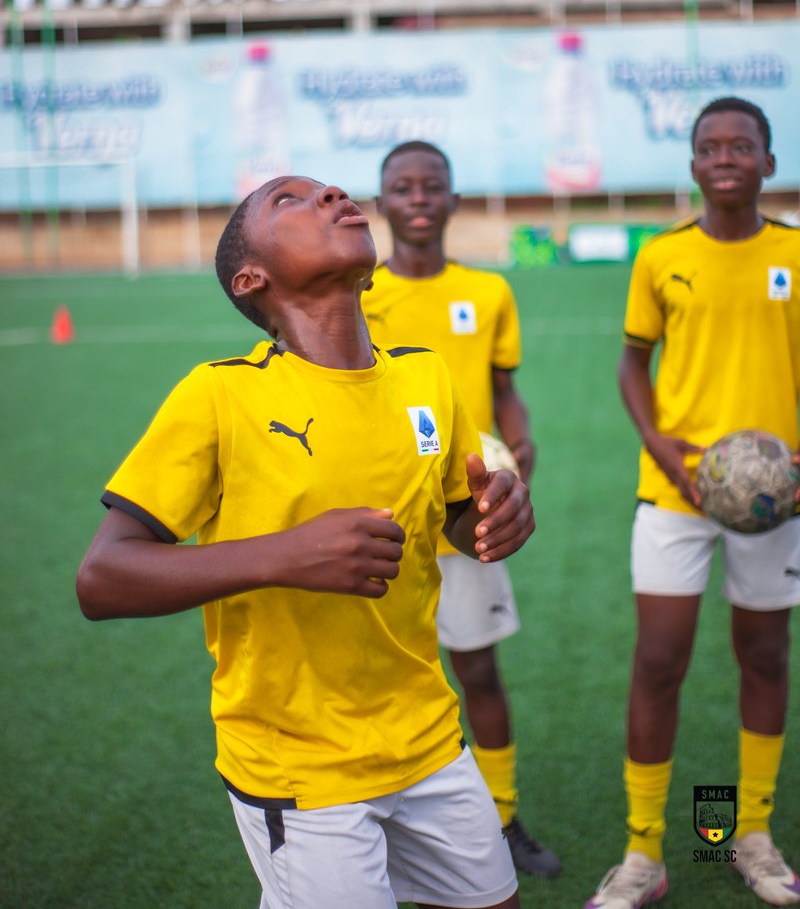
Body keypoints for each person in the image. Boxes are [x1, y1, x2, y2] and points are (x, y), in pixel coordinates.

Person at [76, 175, 536, 909]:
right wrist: (284, 555)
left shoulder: (425, 377)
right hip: (299, 768)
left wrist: (494, 520)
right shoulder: (220, 396)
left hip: (428, 738)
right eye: (289, 200)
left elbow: (454, 519)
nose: (331, 195)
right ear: (249, 277)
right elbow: (101, 579)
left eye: (330, 191)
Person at [584, 97, 800, 909]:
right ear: (692, 165)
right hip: (674, 492)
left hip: (775, 500)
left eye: (741, 145)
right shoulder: (661, 257)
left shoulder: (795, 252)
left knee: (767, 656)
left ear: (768, 163)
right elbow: (631, 362)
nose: (724, 157)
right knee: (659, 660)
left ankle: (751, 834)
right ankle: (644, 854)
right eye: (708, 146)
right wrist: (660, 446)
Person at [362, 140, 560, 879]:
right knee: (379, 675)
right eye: (402, 187)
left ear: (453, 199)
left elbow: (504, 386)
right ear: (382, 203)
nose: (418, 197)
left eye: (432, 185)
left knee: (477, 670)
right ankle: (373, 822)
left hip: (468, 512)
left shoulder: (489, 291)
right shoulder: (361, 295)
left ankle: (504, 818)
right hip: (384, 517)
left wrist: (520, 435)